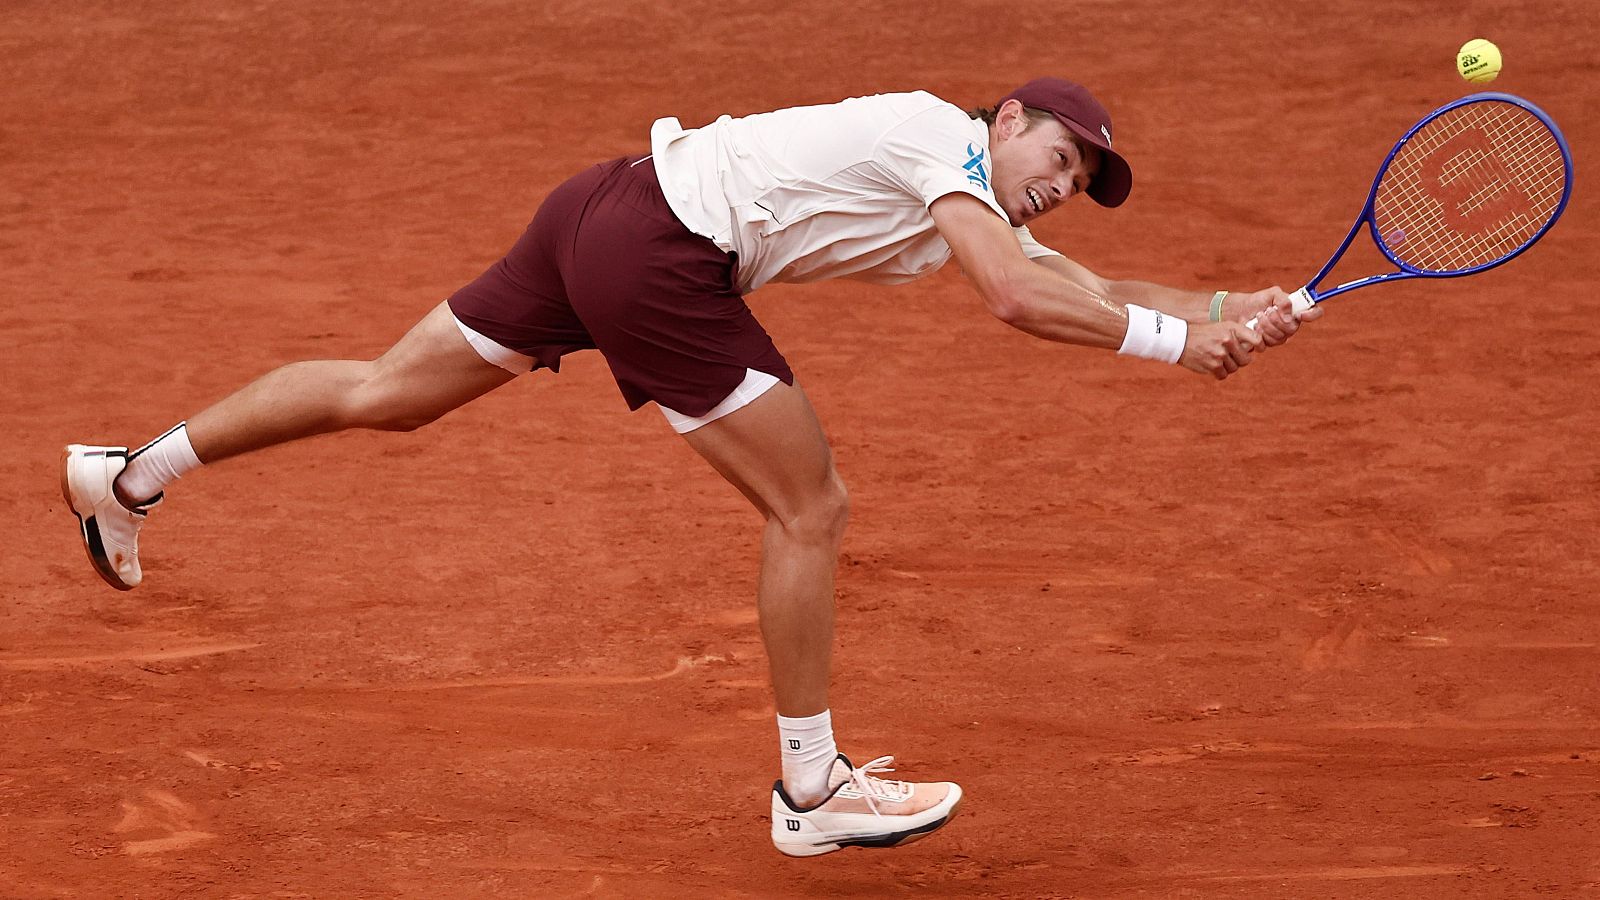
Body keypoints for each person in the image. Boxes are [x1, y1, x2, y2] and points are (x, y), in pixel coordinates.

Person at [62, 77, 1318, 857]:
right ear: (1005, 121)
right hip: (661, 254)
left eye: (1082, 182)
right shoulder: (931, 139)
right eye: (1058, 160)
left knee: (389, 395)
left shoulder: (964, 192)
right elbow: (1011, 300)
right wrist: (1175, 348)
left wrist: (1221, 302)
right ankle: (811, 784)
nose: (1061, 188)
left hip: (599, 207)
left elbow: (1071, 282)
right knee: (810, 507)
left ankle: (127, 474)